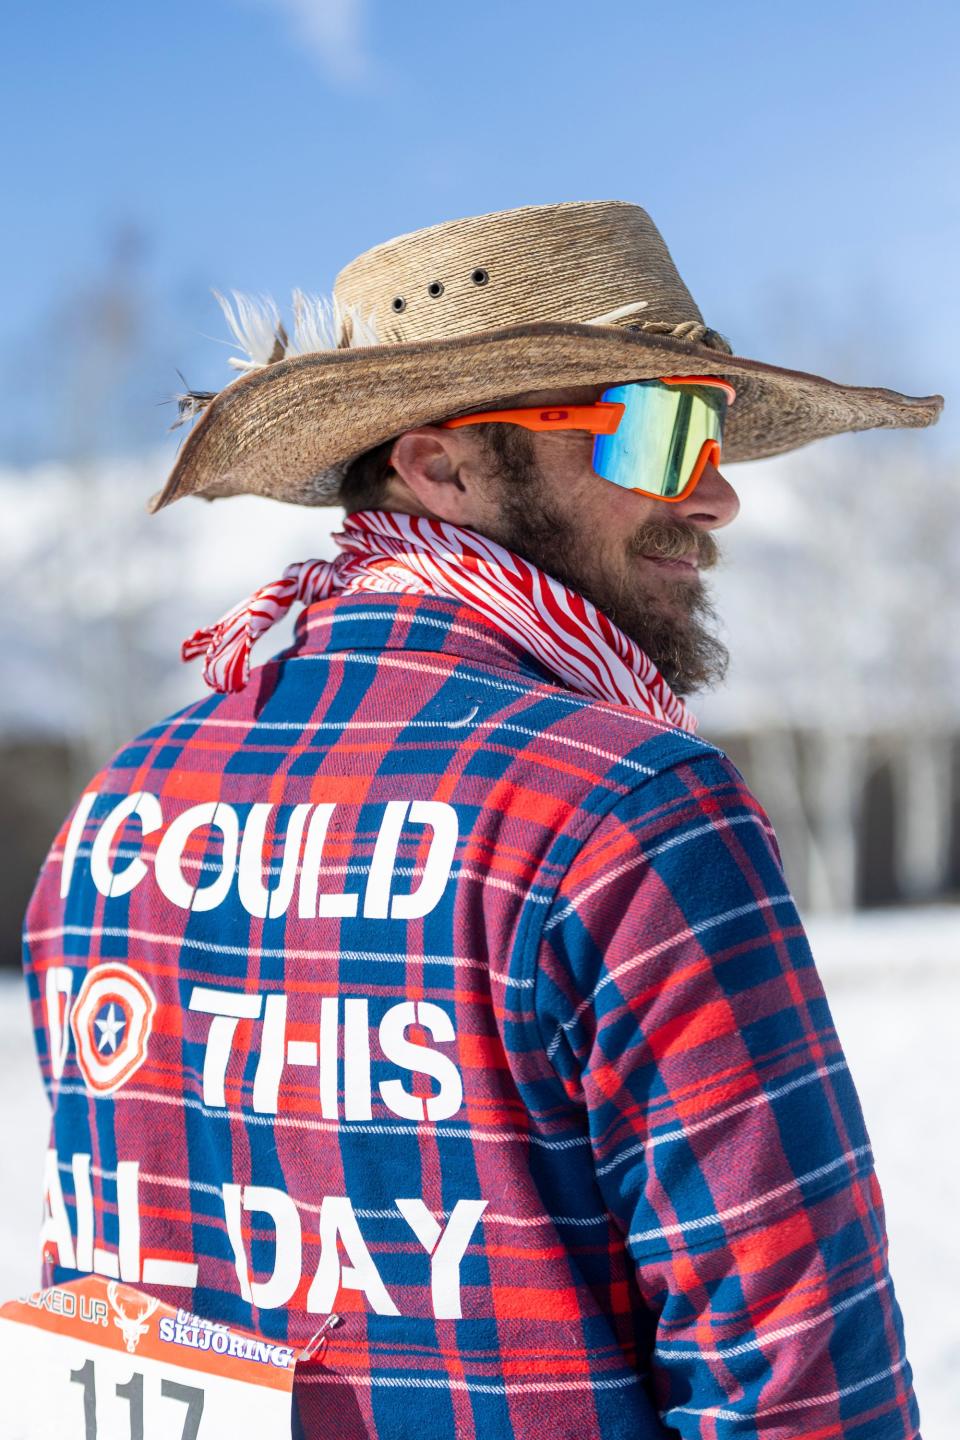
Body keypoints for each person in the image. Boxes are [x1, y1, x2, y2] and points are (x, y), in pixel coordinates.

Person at [22, 201, 942, 1438]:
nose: (717, 496)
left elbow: (100, 1319)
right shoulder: (634, 812)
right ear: (442, 464)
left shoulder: (117, 812)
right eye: (659, 431)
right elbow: (801, 1388)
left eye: (709, 431)